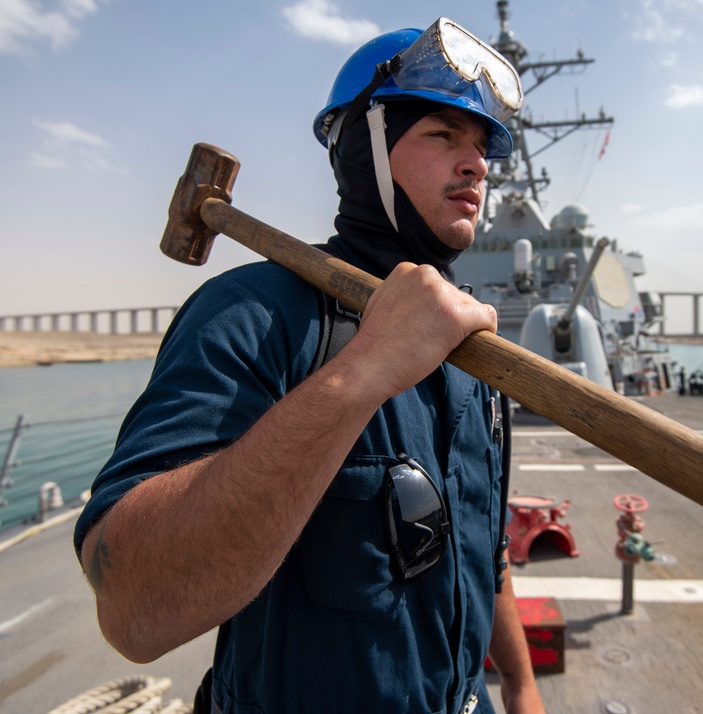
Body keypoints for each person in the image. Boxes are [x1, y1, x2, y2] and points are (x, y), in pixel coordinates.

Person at [73, 18, 544, 714]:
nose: (476, 163)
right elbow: (132, 608)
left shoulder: (474, 351)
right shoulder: (253, 316)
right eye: (443, 136)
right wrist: (364, 373)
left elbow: (484, 553)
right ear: (365, 150)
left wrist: (524, 690)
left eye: (482, 146)